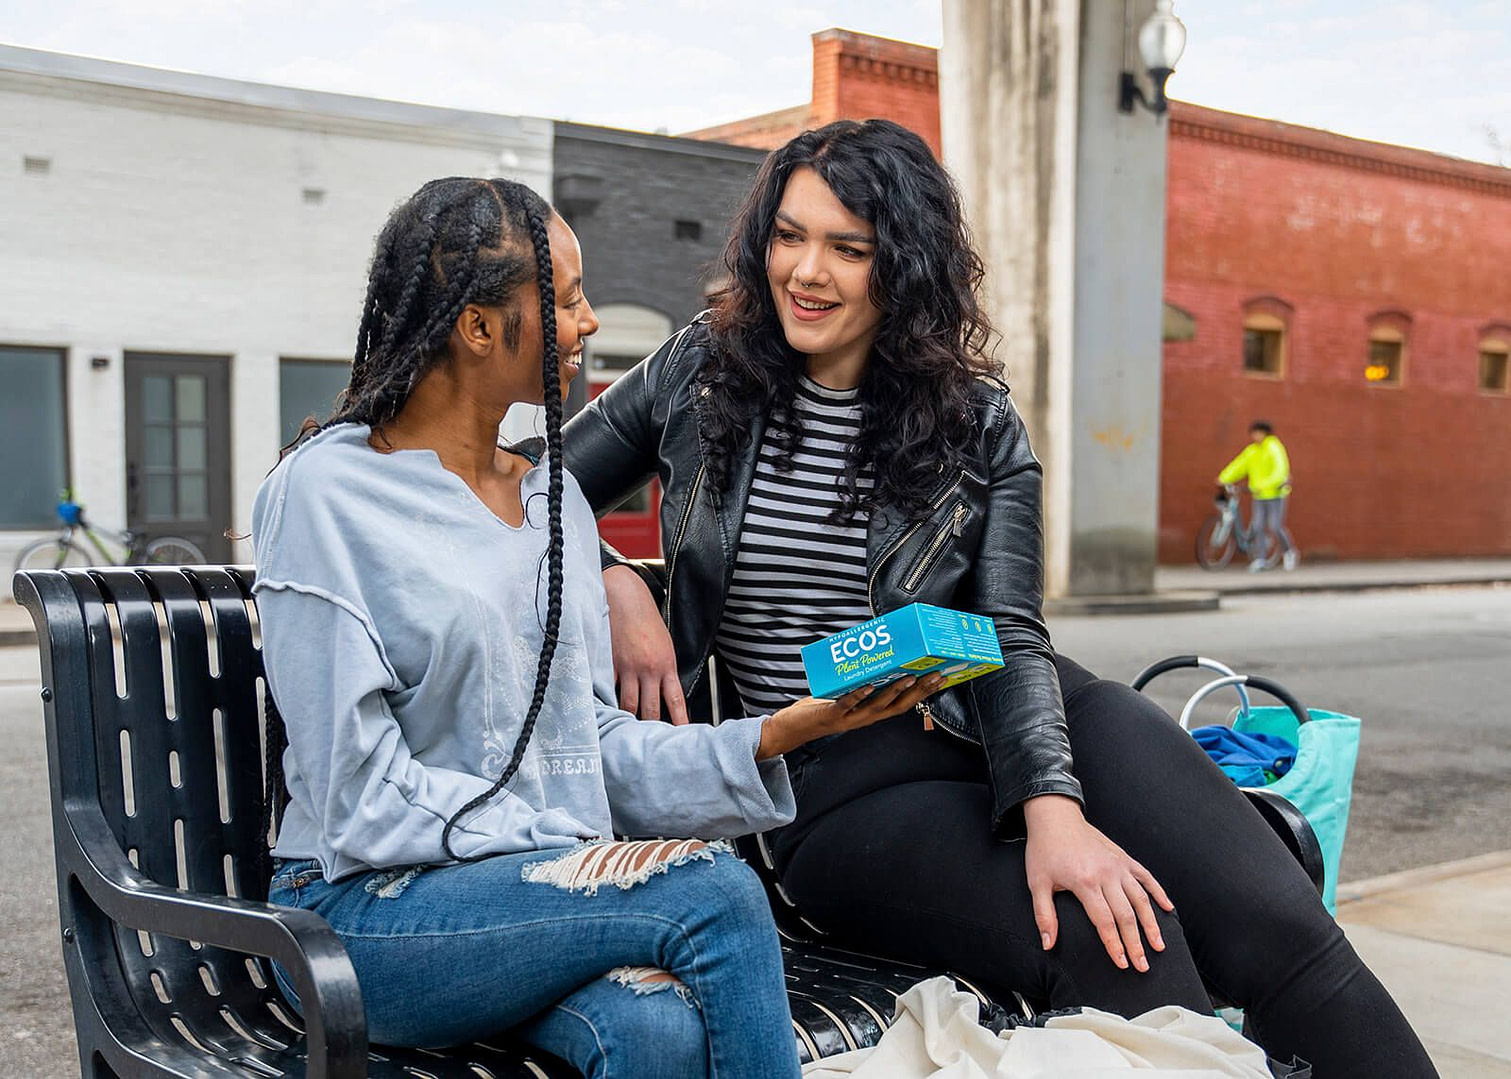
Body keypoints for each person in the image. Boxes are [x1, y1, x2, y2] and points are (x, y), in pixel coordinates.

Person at [562, 121, 1436, 1077]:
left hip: (1001, 713)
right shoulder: (699, 368)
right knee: (1120, 935)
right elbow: (532, 485)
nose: (805, 271)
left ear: (903, 266)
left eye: (847, 249)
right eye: (788, 234)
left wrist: (1050, 810)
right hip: (826, 781)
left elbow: (1009, 631)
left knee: (1275, 918)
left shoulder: (973, 419)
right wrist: (617, 576)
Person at [252, 176, 940, 1077]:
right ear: (481, 328)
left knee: (658, 1032)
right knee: (717, 892)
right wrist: (578, 856)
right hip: (360, 916)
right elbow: (357, 795)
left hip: (519, 904)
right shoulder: (325, 494)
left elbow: (588, 747)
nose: (585, 325)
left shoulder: (553, 498)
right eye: (569, 299)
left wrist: (782, 730)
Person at [1218, 420, 1298, 571]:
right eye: (1254, 433)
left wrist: (1264, 485)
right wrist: (1223, 478)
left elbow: (1280, 471)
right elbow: (1239, 465)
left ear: (1265, 433)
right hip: (1259, 496)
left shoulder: (1274, 447)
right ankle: (1261, 559)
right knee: (1258, 526)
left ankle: (1289, 552)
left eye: (1258, 432)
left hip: (1276, 494)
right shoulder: (1252, 451)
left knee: (1275, 526)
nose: (1256, 436)